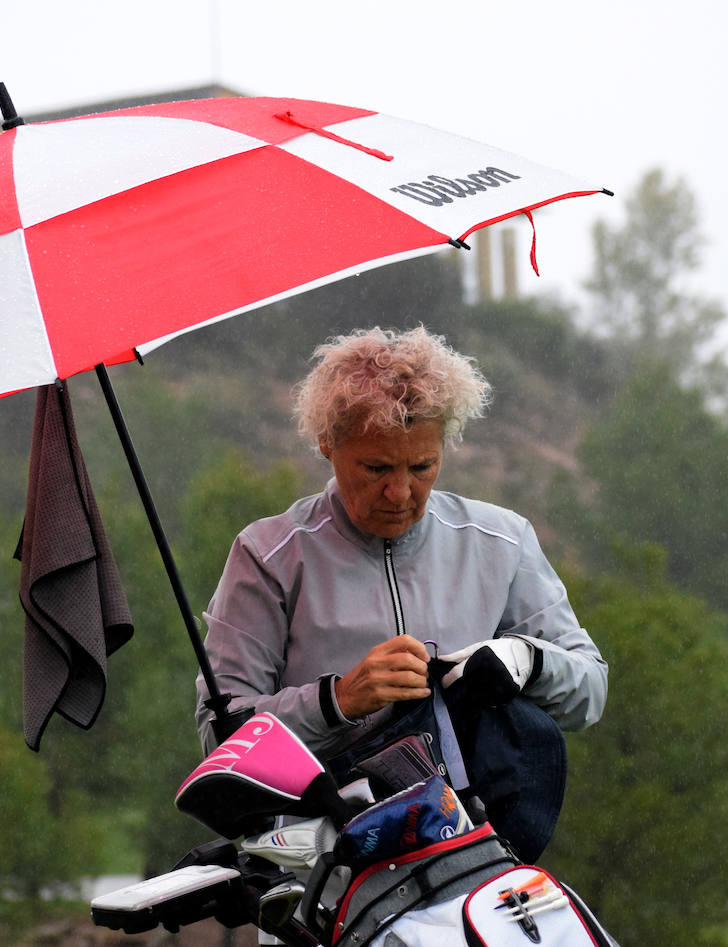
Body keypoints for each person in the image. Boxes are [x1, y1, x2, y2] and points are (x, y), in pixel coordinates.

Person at [194, 326, 608, 852]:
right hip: (323, 879)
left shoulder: (502, 541)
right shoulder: (268, 555)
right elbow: (221, 738)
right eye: (376, 467)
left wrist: (525, 660)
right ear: (327, 444)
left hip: (472, 859)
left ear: (444, 448)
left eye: (422, 466)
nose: (399, 491)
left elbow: (590, 693)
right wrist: (339, 700)